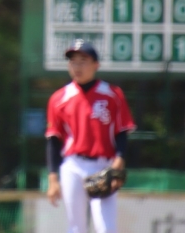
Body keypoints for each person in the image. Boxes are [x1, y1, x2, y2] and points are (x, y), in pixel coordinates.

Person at [45, 40, 136, 233]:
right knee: (75, 227)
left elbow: (122, 132)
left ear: (96, 64)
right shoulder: (59, 98)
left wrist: (119, 161)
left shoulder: (112, 94)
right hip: (73, 165)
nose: (77, 66)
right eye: (73, 61)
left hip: (104, 165)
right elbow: (53, 140)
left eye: (83, 61)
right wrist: (53, 179)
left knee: (106, 227)